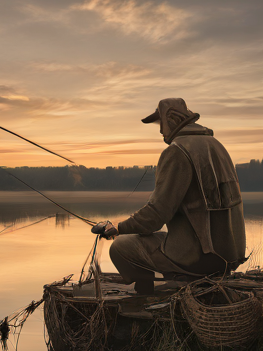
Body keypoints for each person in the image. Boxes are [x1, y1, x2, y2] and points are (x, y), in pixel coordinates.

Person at [92, 98, 246, 294]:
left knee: (121, 247)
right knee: (155, 237)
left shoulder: (177, 152)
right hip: (228, 258)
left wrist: (118, 228)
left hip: (200, 259)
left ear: (172, 119)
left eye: (160, 123)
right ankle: (184, 278)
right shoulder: (217, 146)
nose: (160, 131)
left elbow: (156, 215)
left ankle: (147, 296)